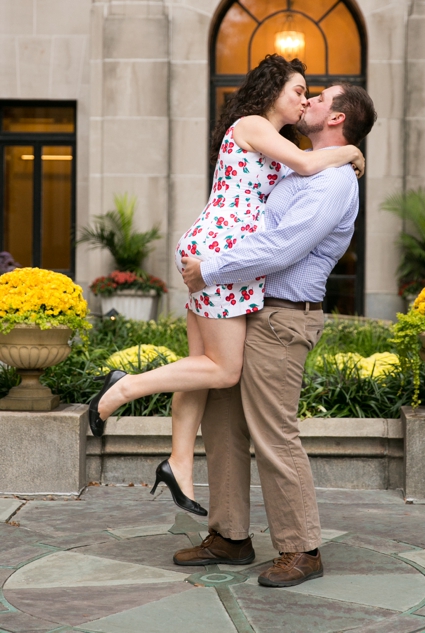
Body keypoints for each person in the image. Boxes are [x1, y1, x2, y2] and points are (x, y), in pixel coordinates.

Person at [87, 55, 364, 518]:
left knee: (200, 365)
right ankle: (123, 388)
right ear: (273, 90)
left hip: (216, 249)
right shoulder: (255, 123)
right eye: (298, 90)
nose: (302, 100)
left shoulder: (269, 139)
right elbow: (306, 163)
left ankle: (178, 463)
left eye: (310, 94)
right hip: (221, 255)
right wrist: (352, 152)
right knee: (223, 371)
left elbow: (298, 172)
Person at [171, 80, 375, 588]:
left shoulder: (334, 184)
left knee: (273, 433)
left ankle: (302, 547)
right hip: (246, 311)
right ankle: (230, 535)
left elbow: (281, 247)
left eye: (320, 98)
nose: (308, 102)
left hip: (284, 318)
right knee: (222, 425)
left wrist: (211, 267)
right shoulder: (302, 167)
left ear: (337, 118)